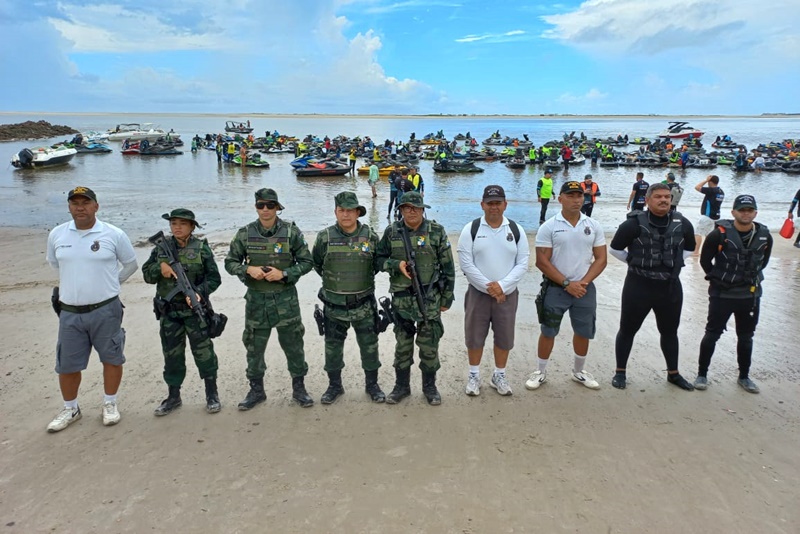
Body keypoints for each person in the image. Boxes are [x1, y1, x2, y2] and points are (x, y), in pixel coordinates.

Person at [45, 187, 138, 432]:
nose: (80, 207)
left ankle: (110, 403)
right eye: (74, 203)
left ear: (96, 206)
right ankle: (71, 408)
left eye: (85, 202)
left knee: (112, 357)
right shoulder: (57, 234)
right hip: (69, 312)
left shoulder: (113, 234)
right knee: (67, 364)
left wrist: (110, 285)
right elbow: (56, 264)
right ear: (68, 207)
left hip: (106, 309)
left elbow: (130, 264)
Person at [224, 188, 315, 409]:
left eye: (270, 205)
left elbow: (306, 262)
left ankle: (299, 388)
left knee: (293, 345)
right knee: (254, 346)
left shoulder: (291, 232)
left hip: (285, 300)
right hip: (256, 301)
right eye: (260, 205)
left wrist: (284, 274)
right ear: (256, 207)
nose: (265, 210)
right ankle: (256, 391)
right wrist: (248, 269)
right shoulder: (244, 234)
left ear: (277, 207)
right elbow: (229, 262)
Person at [609, 183, 697, 391]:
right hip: (638, 286)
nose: (664, 200)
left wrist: (672, 266)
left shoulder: (682, 223)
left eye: (667, 196)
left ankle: (673, 374)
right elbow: (615, 249)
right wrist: (637, 263)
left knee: (669, 332)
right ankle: (620, 372)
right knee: (627, 330)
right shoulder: (632, 224)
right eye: (658, 196)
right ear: (647, 200)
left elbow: (690, 248)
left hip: (669, 286)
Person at [376, 192, 456, 405]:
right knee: (402, 345)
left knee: (429, 345)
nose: (412, 211)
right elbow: (378, 259)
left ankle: (429, 387)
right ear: (400, 209)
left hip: (429, 299)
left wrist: (447, 298)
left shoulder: (436, 231)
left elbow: (448, 266)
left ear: (423, 209)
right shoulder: (392, 232)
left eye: (416, 207)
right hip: (401, 300)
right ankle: (402, 387)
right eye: (407, 207)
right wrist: (395, 265)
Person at [525, 181, 607, 391]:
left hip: (584, 288)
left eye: (579, 196)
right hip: (555, 288)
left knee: (583, 331)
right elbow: (542, 261)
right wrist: (566, 283)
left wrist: (583, 283)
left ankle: (579, 371)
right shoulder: (550, 226)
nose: (576, 200)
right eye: (570, 196)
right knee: (548, 331)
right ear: (560, 198)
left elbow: (601, 259)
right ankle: (540, 371)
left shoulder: (593, 225)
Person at [142, 209, 222, 416]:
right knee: (172, 355)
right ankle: (173, 396)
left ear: (192, 226)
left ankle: (212, 394)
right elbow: (147, 275)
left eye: (182, 224)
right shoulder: (161, 249)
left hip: (195, 313)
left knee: (204, 354)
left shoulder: (202, 248)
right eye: (173, 223)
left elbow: (214, 279)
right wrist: (161, 269)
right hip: (170, 313)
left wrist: (199, 295)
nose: (177, 227)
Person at [312, 192, 385, 404]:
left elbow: (377, 264)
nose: (346, 214)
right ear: (335, 211)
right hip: (334, 307)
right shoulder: (324, 237)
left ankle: (372, 385)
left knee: (369, 347)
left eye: (350, 210)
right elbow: (318, 264)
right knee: (333, 348)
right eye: (341, 210)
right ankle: (334, 386)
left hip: (363, 305)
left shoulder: (370, 236)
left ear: (357, 212)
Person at [694, 195, 772, 393]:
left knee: (746, 337)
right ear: (733, 212)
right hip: (723, 294)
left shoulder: (764, 234)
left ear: (755, 212)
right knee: (712, 334)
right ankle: (702, 374)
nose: (745, 213)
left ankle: (744, 377)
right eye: (741, 210)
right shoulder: (718, 235)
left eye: (749, 210)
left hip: (750, 295)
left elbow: (764, 261)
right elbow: (705, 261)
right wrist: (717, 279)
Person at [456, 185, 529, 396]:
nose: (494, 207)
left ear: (505, 204)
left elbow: (523, 263)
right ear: (482, 205)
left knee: (504, 337)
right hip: (478, 294)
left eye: (498, 203)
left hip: (507, 295)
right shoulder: (471, 229)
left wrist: (503, 286)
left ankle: (499, 375)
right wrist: (490, 287)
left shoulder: (516, 230)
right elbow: (466, 264)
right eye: (490, 203)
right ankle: (474, 375)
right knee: (474, 336)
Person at [694, 175, 725, 252]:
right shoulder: (721, 191)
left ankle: (696, 251)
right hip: (715, 216)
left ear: (710, 182)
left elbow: (697, 187)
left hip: (707, 216)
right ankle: (707, 251)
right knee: (708, 235)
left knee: (698, 233)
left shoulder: (711, 190)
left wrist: (705, 180)